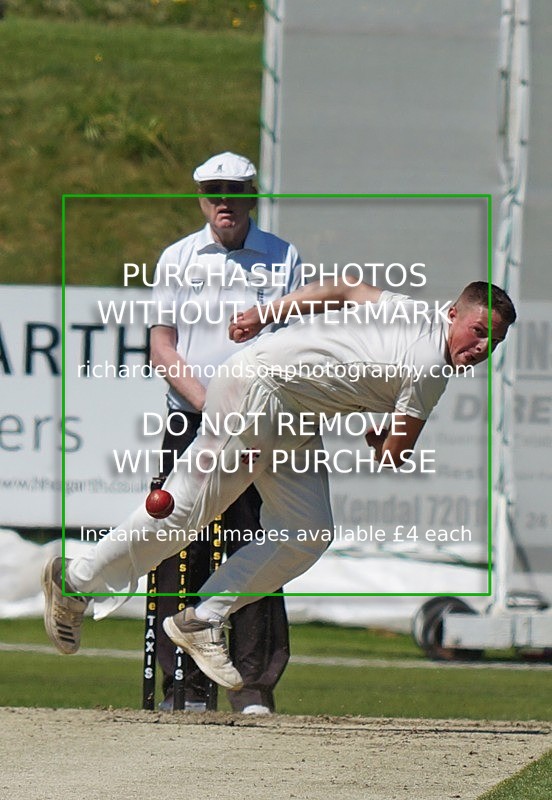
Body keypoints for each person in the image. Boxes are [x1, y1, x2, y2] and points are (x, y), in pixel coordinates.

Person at [42, 278, 516, 692]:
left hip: (292, 414)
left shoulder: (411, 309)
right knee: (184, 515)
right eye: (477, 332)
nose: (479, 349)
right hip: (260, 390)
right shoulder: (432, 368)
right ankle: (74, 580)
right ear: (453, 313)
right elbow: (395, 452)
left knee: (307, 530)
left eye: (491, 342)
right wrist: (386, 436)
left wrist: (263, 314)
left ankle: (201, 618)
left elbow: (343, 287)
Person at [146, 152, 303, 713]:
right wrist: (210, 404)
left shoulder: (282, 257)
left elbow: (292, 344)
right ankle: (184, 686)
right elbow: (163, 347)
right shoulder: (178, 258)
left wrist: (246, 409)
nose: (224, 202)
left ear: (251, 195)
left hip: (259, 421)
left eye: (234, 191)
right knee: (174, 541)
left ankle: (254, 684)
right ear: (201, 199)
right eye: (213, 192)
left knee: (257, 542)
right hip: (194, 417)